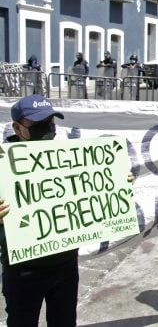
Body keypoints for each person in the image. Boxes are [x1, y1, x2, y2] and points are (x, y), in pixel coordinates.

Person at [0, 95, 78, 326]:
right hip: (24, 269)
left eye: (50, 123)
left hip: (65, 262)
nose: (47, 129)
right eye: (38, 125)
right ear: (17, 128)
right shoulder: (3, 163)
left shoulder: (66, 158)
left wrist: (117, 182)